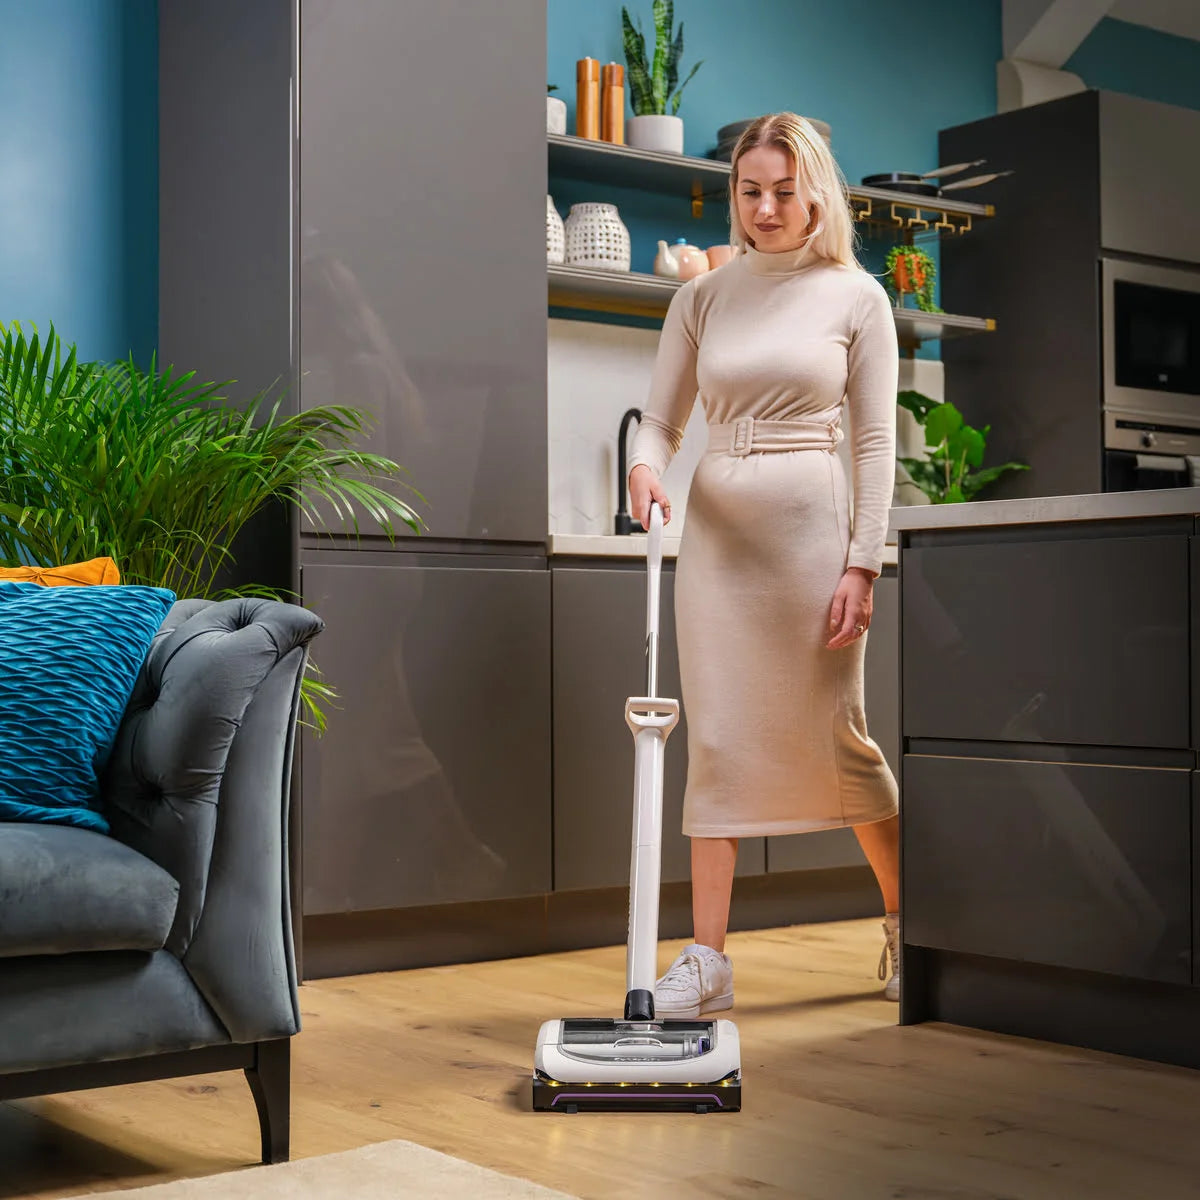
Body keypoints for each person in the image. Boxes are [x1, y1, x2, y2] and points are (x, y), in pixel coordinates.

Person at [627, 112, 901, 1014]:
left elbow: (873, 444)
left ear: (816, 193)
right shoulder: (703, 296)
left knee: (839, 737)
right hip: (717, 545)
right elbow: (661, 422)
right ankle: (707, 963)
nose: (767, 208)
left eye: (785, 191)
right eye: (751, 191)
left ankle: (910, 921)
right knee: (718, 745)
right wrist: (643, 468)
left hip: (813, 545)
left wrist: (863, 564)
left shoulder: (856, 298)